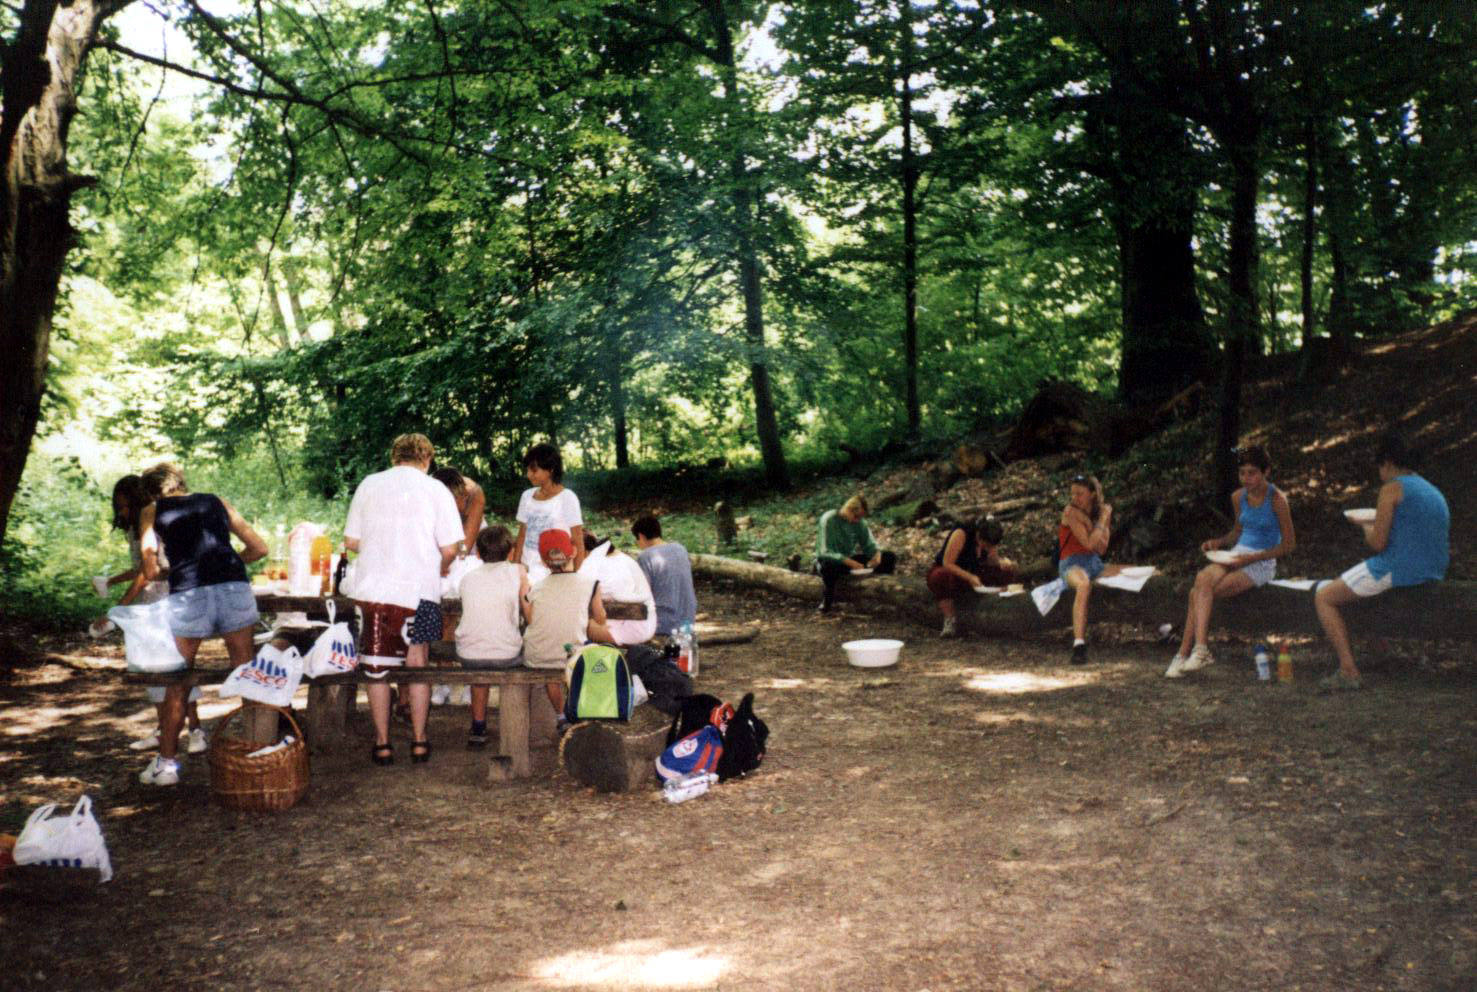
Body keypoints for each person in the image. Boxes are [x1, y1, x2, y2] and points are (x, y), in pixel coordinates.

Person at [135, 463, 268, 785]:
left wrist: (179, 570)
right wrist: (228, 563)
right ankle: (261, 754)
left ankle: (167, 765)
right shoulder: (216, 501)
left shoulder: (151, 512)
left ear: (151, 492)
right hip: (233, 587)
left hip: (189, 594)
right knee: (246, 674)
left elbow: (150, 571)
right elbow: (259, 548)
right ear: (181, 482)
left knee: (177, 682)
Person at [343, 433, 463, 765]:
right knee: (418, 663)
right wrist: (440, 565)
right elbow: (450, 548)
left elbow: (351, 541)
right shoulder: (436, 489)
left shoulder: (369, 484)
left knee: (377, 669)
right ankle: (419, 740)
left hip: (375, 593)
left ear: (394, 456)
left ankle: (382, 743)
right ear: (427, 458)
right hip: (422, 593)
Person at [1314, 433, 1449, 690]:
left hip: (1401, 568)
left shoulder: (1392, 488)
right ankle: (1380, 652)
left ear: (1386, 463)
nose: (1380, 474)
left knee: (1325, 597)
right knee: (1358, 590)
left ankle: (1348, 670)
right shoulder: (1429, 488)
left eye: (1380, 468)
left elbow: (1377, 543)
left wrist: (1365, 524)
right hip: (1433, 568)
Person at [97, 475, 207, 755]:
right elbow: (139, 571)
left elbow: (149, 573)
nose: (121, 512)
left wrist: (116, 611)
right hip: (150, 607)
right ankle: (164, 729)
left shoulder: (155, 525)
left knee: (175, 670)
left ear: (138, 503)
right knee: (158, 672)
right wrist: (111, 581)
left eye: (125, 506)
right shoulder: (135, 531)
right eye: (118, 507)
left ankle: (194, 730)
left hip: (168, 603)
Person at [1166, 445, 1296, 678]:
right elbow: (1238, 531)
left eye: (1252, 473)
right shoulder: (1238, 497)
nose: (1246, 478)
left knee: (1197, 593)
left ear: (1266, 471)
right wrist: (1218, 542)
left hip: (1262, 562)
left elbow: (1288, 545)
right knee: (1202, 579)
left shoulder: (1277, 500)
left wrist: (1252, 558)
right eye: (1242, 473)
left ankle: (1183, 653)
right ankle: (1200, 649)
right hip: (1236, 555)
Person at [522, 528, 612, 725]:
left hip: (537, 657)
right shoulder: (591, 584)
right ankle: (583, 708)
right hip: (572, 657)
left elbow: (532, 619)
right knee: (583, 649)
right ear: (574, 551)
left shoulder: (536, 587)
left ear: (543, 561)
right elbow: (601, 619)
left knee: (551, 652)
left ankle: (561, 714)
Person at [455, 525, 528, 748]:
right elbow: (528, 610)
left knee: (481, 662)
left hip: (469, 653)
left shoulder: (467, 578)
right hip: (507, 654)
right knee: (516, 648)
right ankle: (514, 725)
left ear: (478, 553)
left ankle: (478, 726)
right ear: (511, 552)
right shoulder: (518, 572)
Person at [430, 466, 486, 706]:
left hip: (468, 552)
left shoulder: (475, 493)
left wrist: (448, 561)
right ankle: (443, 680)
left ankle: (472, 682)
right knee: (444, 616)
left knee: (473, 614)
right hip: (443, 550)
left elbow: (465, 546)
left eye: (459, 501)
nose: (457, 507)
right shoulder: (429, 496)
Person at [1057, 474, 1123, 664]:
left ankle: (1165, 629)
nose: (1074, 498)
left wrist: (1103, 520)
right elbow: (1088, 544)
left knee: (1137, 573)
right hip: (1072, 563)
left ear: (1092, 494)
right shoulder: (1070, 512)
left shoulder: (1098, 512)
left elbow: (1101, 549)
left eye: (1079, 494)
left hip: (1093, 562)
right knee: (1084, 585)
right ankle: (1079, 645)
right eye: (1072, 493)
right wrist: (1103, 520)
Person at [927, 516, 1018, 637]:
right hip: (953, 572)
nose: (988, 547)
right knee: (940, 576)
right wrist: (969, 577)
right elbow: (947, 563)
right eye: (986, 544)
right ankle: (950, 618)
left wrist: (1004, 564)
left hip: (973, 573)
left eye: (990, 545)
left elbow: (991, 561)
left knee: (1006, 573)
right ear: (979, 535)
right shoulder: (962, 533)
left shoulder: (990, 539)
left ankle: (999, 610)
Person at [510, 443, 584, 584]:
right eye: (527, 470)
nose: (528, 475)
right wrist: (516, 565)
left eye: (534, 470)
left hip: (554, 569)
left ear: (550, 469)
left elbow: (577, 541)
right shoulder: (527, 496)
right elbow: (522, 535)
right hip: (527, 566)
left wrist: (574, 576)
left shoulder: (567, 497)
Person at [814, 494, 896, 613]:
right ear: (848, 509)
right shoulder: (829, 518)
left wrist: (876, 556)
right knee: (828, 565)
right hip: (829, 561)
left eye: (860, 517)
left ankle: (884, 595)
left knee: (889, 557)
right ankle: (827, 599)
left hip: (849, 561)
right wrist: (851, 563)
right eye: (856, 516)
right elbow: (824, 551)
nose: (857, 520)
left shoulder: (859, 523)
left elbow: (869, 544)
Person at [582, 532, 658, 645]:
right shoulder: (619, 557)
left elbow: (599, 614)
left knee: (577, 625)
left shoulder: (600, 565)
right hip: (646, 622)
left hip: (633, 628)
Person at [632, 514, 698, 635]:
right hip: (688, 619)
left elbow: (642, 594)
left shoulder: (645, 557)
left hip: (662, 623)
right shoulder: (680, 549)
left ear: (641, 536)